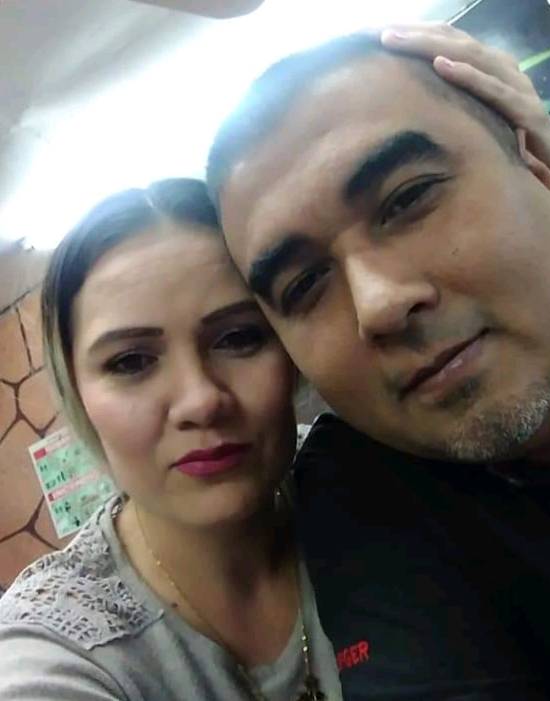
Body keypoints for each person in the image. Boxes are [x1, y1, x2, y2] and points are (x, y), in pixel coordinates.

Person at [207, 23, 550, 700]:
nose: (377, 305)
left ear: (546, 177)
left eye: (408, 199)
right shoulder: (359, 489)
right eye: (304, 284)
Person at [0, 179, 342, 701]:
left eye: (238, 337)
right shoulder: (55, 644)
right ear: (78, 393)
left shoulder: (367, 480)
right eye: (131, 361)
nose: (201, 401)